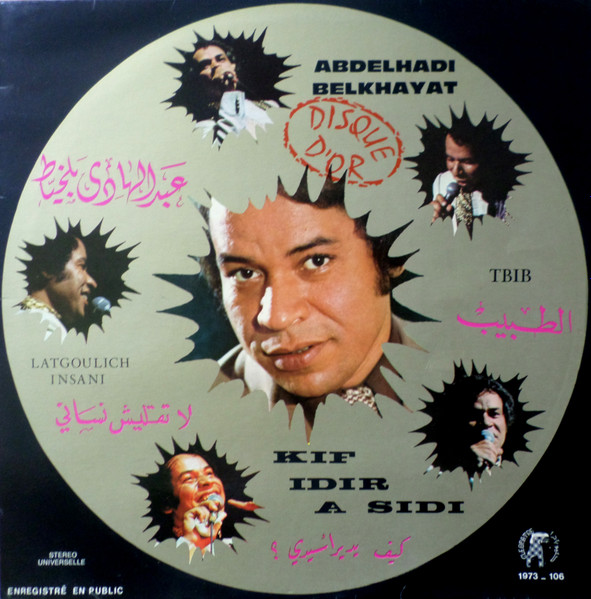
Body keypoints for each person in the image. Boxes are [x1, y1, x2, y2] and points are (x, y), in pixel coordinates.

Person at [200, 172, 424, 438]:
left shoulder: (457, 367)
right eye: (245, 273)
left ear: (391, 256)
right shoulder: (199, 417)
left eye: (316, 261)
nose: (275, 317)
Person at [166, 33, 289, 146]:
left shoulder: (267, 106)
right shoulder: (203, 122)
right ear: (198, 78)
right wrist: (229, 91)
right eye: (206, 65)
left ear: (232, 66)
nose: (216, 65)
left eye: (221, 59)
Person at [17, 233, 97, 340]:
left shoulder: (22, 319)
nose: (92, 282)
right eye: (81, 266)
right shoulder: (49, 328)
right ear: (48, 268)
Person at [163, 453, 228, 556]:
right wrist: (192, 543)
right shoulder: (165, 551)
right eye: (189, 478)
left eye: (209, 473)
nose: (207, 481)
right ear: (167, 505)